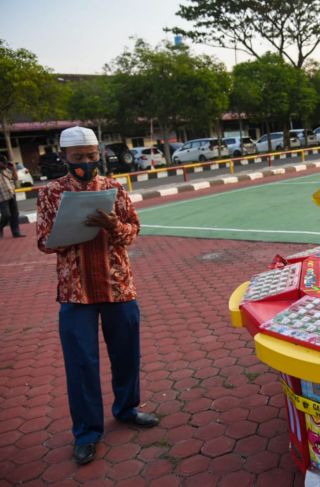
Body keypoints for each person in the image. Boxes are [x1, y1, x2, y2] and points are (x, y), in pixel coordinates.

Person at [36, 126, 159, 465]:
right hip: (76, 292)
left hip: (117, 285)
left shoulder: (114, 187)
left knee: (126, 353)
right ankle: (87, 432)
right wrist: (68, 232)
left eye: (92, 156)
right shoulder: (51, 193)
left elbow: (133, 230)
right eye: (79, 158)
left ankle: (127, 408)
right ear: (64, 157)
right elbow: (44, 242)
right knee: (81, 364)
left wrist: (111, 226)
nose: (87, 163)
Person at [0, 154, 25, 238]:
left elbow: (15, 178)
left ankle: (16, 232)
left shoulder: (6, 170)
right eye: (4, 163)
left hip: (11, 194)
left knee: (15, 213)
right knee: (6, 215)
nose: (5, 164)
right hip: (1, 197)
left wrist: (13, 168)